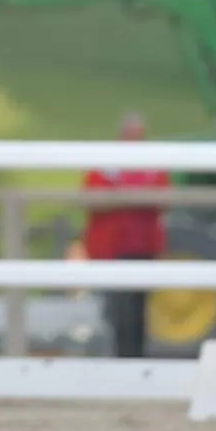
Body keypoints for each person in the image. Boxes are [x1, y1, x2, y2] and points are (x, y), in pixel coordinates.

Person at [81, 111, 169, 358]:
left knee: (138, 311)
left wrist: (121, 198)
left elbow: (163, 199)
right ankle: (121, 359)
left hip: (143, 247)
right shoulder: (107, 167)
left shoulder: (151, 167)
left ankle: (136, 360)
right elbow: (92, 200)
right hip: (112, 248)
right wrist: (133, 198)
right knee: (118, 311)